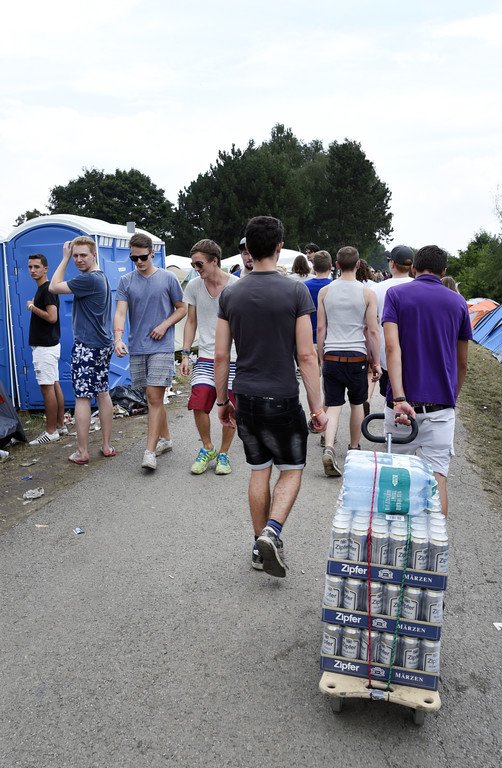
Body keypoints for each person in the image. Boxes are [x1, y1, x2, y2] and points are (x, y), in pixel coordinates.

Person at [215, 216, 327, 578]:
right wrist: (317, 408)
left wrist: (222, 401)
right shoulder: (295, 291)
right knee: (291, 470)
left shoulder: (230, 294)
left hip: (245, 396)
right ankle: (272, 531)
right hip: (282, 397)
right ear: (279, 247)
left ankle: (257, 546)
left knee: (258, 469)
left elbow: (221, 355)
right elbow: (306, 355)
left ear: (248, 249)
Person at [383, 245, 472, 516]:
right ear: (444, 271)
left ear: (414, 268)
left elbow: (392, 348)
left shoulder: (396, 295)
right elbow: (462, 362)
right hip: (440, 407)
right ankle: (435, 539)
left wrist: (399, 397)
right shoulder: (458, 303)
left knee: (395, 482)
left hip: (401, 406)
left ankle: (395, 538)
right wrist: (451, 398)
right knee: (436, 480)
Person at [113, 233, 186, 471]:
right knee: (151, 398)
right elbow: (120, 312)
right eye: (134, 258)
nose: (139, 262)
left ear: (152, 253)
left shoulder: (168, 278)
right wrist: (118, 338)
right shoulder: (126, 281)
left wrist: (164, 325)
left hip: (162, 346)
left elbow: (182, 308)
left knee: (154, 397)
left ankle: (149, 452)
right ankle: (166, 439)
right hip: (137, 346)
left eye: (143, 257)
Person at [317, 246, 381, 477]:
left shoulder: (325, 292)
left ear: (336, 264)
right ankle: (354, 448)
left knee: (333, 406)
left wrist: (321, 356)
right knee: (357, 404)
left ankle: (329, 447)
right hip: (357, 356)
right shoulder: (367, 294)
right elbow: (372, 331)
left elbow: (321, 328)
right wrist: (375, 362)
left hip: (332, 355)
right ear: (358, 265)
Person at [49, 237, 115, 464]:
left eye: (83, 255)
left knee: (82, 397)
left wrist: (65, 258)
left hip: (87, 346)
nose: (78, 259)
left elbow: (53, 286)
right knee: (103, 392)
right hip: (103, 344)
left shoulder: (88, 279)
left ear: (94, 255)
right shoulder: (101, 277)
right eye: (75, 255)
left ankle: (82, 452)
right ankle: (106, 446)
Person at [181, 239, 239, 476]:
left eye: (199, 263)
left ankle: (224, 453)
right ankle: (207, 448)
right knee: (199, 401)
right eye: (193, 264)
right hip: (206, 355)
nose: (196, 268)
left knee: (232, 407)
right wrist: (186, 354)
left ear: (215, 261)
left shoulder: (236, 285)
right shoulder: (194, 286)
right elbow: (191, 321)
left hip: (234, 356)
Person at [27, 254, 66, 445]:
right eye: (30, 267)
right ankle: (60, 425)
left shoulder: (47, 290)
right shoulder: (43, 289)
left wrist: (32, 307)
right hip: (49, 345)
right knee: (54, 384)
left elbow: (52, 317)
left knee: (47, 387)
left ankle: (50, 432)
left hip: (45, 347)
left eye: (36, 267)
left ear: (46, 269)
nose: (33, 270)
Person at [370, 245, 414, 403]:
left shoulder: (376, 289)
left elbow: (371, 324)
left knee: (390, 397)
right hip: (412, 351)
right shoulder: (417, 287)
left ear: (392, 264)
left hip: (386, 353)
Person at [304, 251, 333, 345]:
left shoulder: (303, 287)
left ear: (314, 267)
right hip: (330, 339)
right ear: (330, 267)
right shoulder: (335, 287)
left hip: (308, 338)